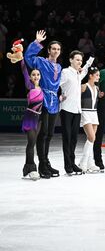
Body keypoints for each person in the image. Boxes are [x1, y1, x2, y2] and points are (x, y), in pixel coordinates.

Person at [24, 30, 62, 178]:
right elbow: (28, 57)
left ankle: (46, 162)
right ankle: (41, 165)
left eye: (58, 49)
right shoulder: (41, 61)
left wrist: (62, 95)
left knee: (50, 133)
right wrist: (36, 42)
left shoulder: (58, 67)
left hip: (54, 101)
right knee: (43, 133)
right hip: (42, 100)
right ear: (48, 50)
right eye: (53, 48)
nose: (56, 51)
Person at [58, 50, 94, 175]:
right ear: (71, 60)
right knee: (67, 138)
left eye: (81, 60)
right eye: (77, 59)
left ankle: (72, 163)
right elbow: (57, 85)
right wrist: (59, 96)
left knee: (74, 138)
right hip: (67, 109)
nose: (80, 62)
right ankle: (68, 165)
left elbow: (86, 68)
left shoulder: (79, 74)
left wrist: (91, 57)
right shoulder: (65, 72)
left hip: (77, 110)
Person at [19, 58, 43, 180]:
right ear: (31, 77)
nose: (36, 76)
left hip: (38, 118)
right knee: (31, 144)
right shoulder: (30, 86)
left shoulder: (41, 89)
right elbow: (24, 71)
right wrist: (21, 58)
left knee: (32, 144)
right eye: (33, 74)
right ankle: (32, 168)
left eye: (38, 74)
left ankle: (27, 168)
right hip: (30, 117)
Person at [78, 67, 101, 173]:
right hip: (85, 112)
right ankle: (83, 162)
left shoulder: (97, 88)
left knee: (92, 139)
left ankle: (90, 163)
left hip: (94, 113)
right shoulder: (83, 86)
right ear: (90, 75)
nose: (98, 77)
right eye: (96, 75)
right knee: (91, 137)